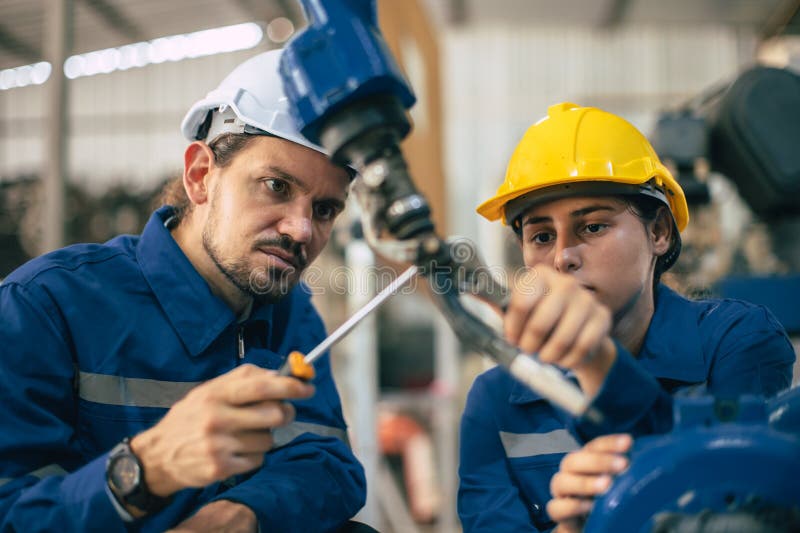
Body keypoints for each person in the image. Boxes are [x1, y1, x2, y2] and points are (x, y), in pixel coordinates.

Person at [0, 49, 367, 532]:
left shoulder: (291, 314)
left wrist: (245, 512)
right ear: (200, 176)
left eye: (324, 210)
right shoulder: (44, 307)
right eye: (276, 186)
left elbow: (328, 461)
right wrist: (144, 471)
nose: (301, 230)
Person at [457, 102, 795, 532]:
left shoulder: (735, 342)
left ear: (659, 232)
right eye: (541, 236)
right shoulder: (497, 400)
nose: (562, 257)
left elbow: (749, 506)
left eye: (593, 226)